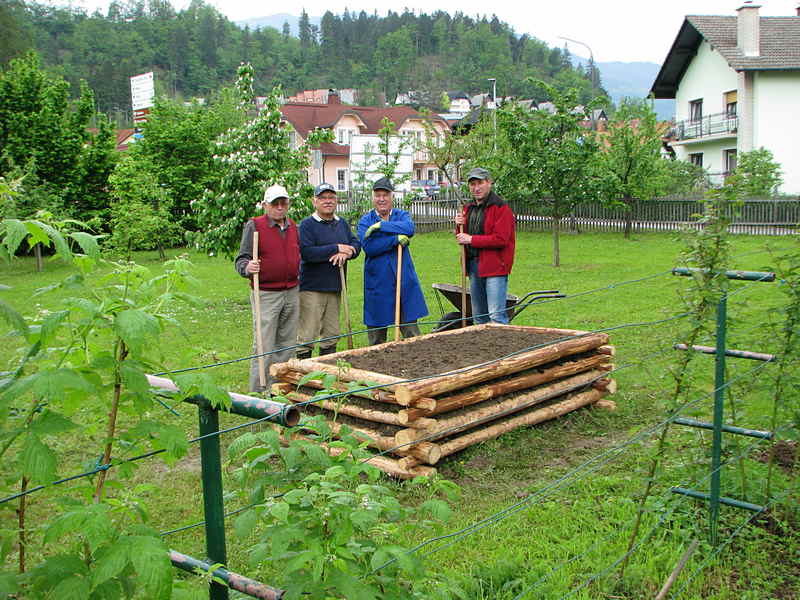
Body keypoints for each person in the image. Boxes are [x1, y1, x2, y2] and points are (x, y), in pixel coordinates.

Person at [234, 184, 300, 393]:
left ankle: (281, 388)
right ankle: (259, 391)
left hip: (291, 291)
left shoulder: (292, 226)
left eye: (283, 203)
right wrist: (247, 267)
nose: (280, 207)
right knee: (264, 343)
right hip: (266, 293)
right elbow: (241, 259)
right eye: (275, 203)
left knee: (287, 342)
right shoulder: (255, 225)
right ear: (265, 205)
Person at [357, 176, 428, 345]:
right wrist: (394, 239)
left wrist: (381, 226)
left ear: (392, 197)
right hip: (378, 282)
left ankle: (416, 360)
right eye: (378, 195)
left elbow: (409, 228)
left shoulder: (401, 215)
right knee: (376, 338)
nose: (382, 199)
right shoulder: (366, 221)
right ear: (373, 198)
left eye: (385, 195)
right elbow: (370, 247)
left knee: (411, 334)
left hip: (403, 281)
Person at [296, 183, 361, 359]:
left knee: (331, 334)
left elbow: (356, 243)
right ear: (314, 201)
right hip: (312, 288)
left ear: (336, 200)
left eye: (331, 197)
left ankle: (326, 368)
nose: (327, 201)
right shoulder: (307, 225)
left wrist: (348, 252)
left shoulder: (342, 223)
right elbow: (307, 253)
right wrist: (336, 248)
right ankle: (304, 369)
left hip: (335, 286)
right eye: (323, 198)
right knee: (307, 334)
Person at [455, 167, 516, 324]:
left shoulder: (501, 208)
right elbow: (462, 238)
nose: (476, 188)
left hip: (495, 266)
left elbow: (501, 239)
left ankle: (501, 341)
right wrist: (459, 225)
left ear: (489, 183)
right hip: (474, 266)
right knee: (479, 317)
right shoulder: (468, 208)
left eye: (480, 183)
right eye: (472, 184)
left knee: (496, 316)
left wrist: (471, 240)